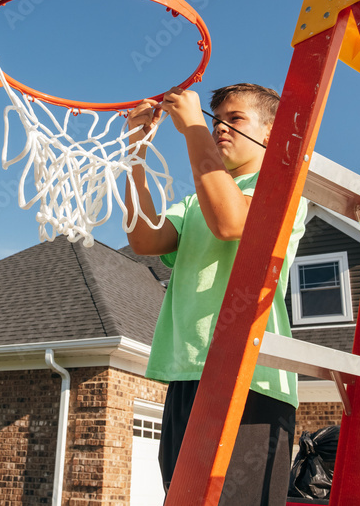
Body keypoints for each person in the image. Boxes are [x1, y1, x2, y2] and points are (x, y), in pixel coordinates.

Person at [125, 83, 308, 505]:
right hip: (188, 370)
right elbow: (144, 239)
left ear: (270, 132)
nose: (221, 127)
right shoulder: (195, 203)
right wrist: (137, 150)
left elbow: (231, 222)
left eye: (235, 119)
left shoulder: (282, 187)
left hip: (251, 374)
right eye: (216, 119)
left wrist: (194, 128)